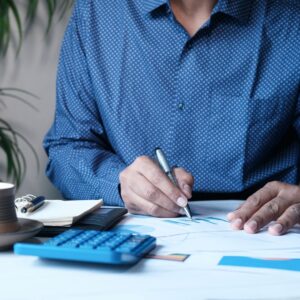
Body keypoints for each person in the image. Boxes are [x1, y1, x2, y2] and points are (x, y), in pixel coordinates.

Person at [44, 0, 300, 236]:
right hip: (131, 237)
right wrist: (118, 184)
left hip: (263, 236)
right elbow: (67, 147)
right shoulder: (97, 11)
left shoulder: (291, 18)